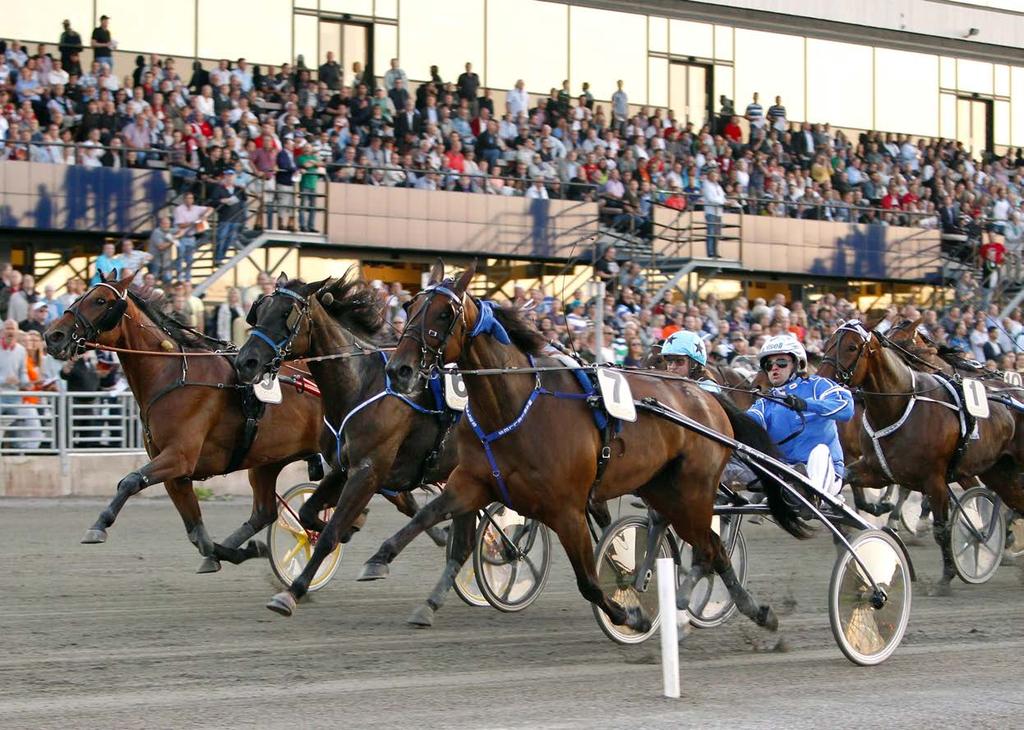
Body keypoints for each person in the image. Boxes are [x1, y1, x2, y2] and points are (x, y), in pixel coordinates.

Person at [746, 334, 855, 502]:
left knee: (819, 451)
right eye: (768, 365)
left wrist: (807, 404)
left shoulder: (818, 385)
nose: (774, 368)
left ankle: (809, 494)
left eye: (781, 362)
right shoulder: (765, 403)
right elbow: (747, 423)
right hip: (784, 473)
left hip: (826, 473)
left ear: (797, 364)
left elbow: (846, 409)